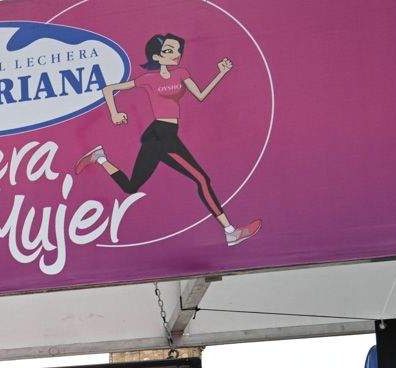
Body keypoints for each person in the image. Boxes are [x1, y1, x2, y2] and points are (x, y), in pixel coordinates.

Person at [76, 33, 259, 247]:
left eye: (178, 51)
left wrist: (221, 73)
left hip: (165, 135)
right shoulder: (148, 79)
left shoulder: (181, 73)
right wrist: (114, 113)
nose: (176, 54)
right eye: (169, 51)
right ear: (157, 55)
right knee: (201, 179)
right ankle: (230, 232)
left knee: (131, 187)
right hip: (161, 135)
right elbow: (109, 89)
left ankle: (100, 158)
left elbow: (200, 95)